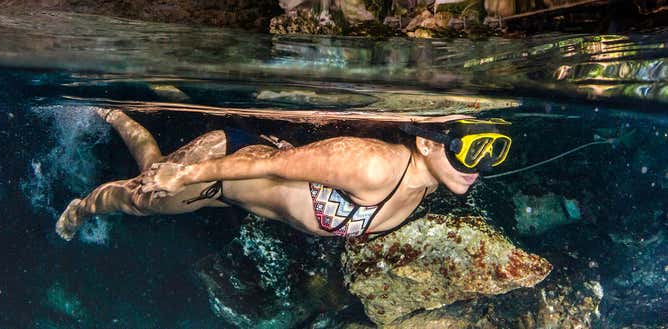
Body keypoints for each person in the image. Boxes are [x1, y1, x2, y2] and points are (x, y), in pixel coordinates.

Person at [55, 109, 511, 240]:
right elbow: (272, 165)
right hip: (225, 166)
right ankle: (82, 205)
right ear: (427, 143)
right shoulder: (374, 164)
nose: (482, 167)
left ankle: (122, 122)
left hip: (236, 188)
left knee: (152, 172)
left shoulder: (423, 186)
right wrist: (187, 175)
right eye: (473, 150)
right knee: (142, 197)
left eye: (494, 152)